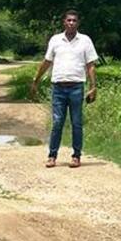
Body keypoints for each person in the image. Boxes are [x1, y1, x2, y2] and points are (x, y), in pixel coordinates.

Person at [29, 9, 98, 168]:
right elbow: (47, 62)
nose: (71, 23)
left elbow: (90, 65)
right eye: (69, 20)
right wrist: (36, 80)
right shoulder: (55, 40)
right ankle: (52, 156)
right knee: (58, 122)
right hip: (58, 88)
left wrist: (93, 87)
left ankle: (76, 156)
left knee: (76, 122)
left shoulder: (85, 41)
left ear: (78, 23)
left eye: (74, 20)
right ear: (64, 22)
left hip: (76, 88)